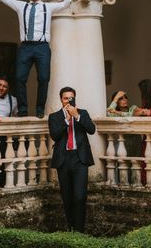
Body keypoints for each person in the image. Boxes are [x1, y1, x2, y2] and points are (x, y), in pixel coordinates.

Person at [0, 0, 80, 117]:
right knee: (19, 78)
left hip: (42, 47)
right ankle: (23, 110)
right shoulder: (21, 6)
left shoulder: (47, 7)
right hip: (25, 47)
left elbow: (63, 4)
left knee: (44, 78)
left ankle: (40, 109)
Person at [48, 87, 95, 233]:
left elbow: (92, 129)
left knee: (80, 197)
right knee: (67, 199)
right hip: (63, 160)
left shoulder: (83, 113)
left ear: (75, 99)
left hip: (79, 159)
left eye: (71, 98)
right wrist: (67, 120)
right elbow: (54, 135)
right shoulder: (54, 117)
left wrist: (77, 117)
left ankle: (79, 232)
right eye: (65, 98)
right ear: (61, 99)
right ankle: (71, 229)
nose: (68, 100)